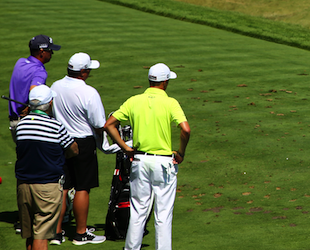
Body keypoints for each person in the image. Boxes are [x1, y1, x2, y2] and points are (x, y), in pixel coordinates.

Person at [104, 64, 190, 250]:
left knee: (138, 211)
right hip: (164, 164)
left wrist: (126, 148)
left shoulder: (134, 100)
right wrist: (181, 153)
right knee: (163, 215)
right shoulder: (170, 102)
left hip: (140, 162)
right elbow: (185, 129)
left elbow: (109, 124)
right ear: (165, 82)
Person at [51, 53, 107, 245]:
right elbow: (99, 123)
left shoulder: (55, 86)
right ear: (83, 72)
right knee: (83, 186)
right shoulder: (89, 92)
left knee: (64, 186)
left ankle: (57, 233)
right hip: (82, 142)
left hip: (60, 140)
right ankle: (81, 233)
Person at [15, 84, 79, 250]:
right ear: (49, 103)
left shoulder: (21, 126)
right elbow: (73, 150)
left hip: (23, 185)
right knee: (42, 236)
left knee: (29, 235)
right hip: (47, 187)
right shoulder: (55, 126)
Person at [9, 35, 61, 139]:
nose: (52, 53)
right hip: (27, 123)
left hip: (14, 121)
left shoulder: (20, 62)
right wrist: (30, 107)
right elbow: (35, 96)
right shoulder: (39, 71)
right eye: (50, 50)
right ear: (42, 51)